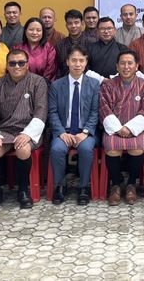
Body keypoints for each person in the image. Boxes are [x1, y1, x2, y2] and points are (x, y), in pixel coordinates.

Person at [0, 49, 48, 211]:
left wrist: (27, 133)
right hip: (4, 130)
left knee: (23, 149)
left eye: (21, 63)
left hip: (29, 129)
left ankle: (23, 190)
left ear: (27, 65)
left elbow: (41, 110)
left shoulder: (38, 82)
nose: (17, 66)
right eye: (12, 63)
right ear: (7, 65)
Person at [99, 50, 144, 206]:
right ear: (117, 66)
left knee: (137, 147)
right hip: (114, 128)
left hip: (135, 128)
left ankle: (131, 184)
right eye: (122, 63)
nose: (126, 66)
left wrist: (130, 128)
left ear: (137, 66)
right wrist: (118, 129)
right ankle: (116, 184)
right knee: (112, 147)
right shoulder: (108, 85)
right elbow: (104, 107)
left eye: (130, 63)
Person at [48, 46, 100, 206]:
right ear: (67, 62)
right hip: (65, 130)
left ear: (86, 63)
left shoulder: (94, 84)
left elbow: (95, 111)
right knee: (57, 149)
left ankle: (83, 187)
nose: (78, 64)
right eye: (74, 60)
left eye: (81, 60)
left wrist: (85, 132)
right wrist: (61, 132)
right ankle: (60, 185)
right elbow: (52, 112)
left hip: (86, 132)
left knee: (85, 149)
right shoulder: (57, 85)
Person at [13, 18, 57, 82]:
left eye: (38, 30)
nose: (34, 33)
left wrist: (39, 86)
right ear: (25, 31)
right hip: (20, 86)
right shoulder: (17, 48)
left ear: (43, 32)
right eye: (31, 30)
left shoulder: (50, 49)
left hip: (43, 87)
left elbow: (50, 73)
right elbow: (13, 70)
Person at [54, 9, 91, 78]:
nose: (73, 26)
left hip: (88, 84)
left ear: (82, 23)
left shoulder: (91, 43)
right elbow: (57, 69)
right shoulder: (60, 45)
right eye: (70, 23)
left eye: (76, 22)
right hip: (65, 83)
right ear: (66, 25)